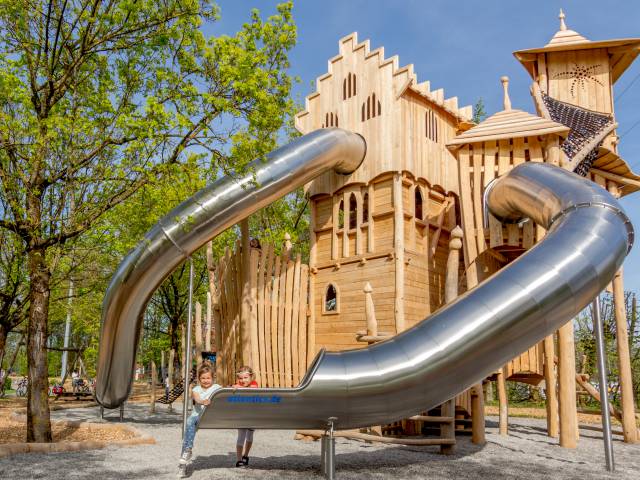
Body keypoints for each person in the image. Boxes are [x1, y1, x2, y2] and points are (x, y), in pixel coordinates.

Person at [178, 362, 221, 477]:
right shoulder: (196, 389)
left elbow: (224, 395)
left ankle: (186, 453)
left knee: (189, 424)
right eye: (203, 378)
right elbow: (197, 399)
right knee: (189, 424)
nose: (206, 380)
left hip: (211, 416)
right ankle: (186, 453)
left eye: (208, 378)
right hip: (198, 416)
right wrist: (203, 401)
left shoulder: (217, 388)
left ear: (213, 378)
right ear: (199, 379)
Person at [232, 365, 258, 467]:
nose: (243, 380)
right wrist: (234, 387)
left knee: (250, 436)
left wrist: (239, 387)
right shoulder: (238, 385)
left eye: (245, 377)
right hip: (241, 415)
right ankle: (239, 459)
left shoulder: (254, 384)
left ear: (251, 377)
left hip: (253, 415)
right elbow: (232, 390)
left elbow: (252, 389)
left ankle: (246, 455)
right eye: (240, 378)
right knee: (241, 436)